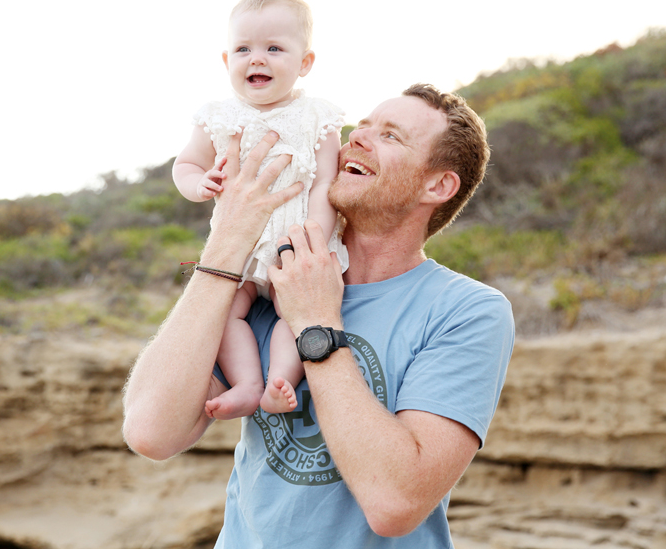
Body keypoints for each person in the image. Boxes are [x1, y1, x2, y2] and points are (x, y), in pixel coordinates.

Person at [124, 83, 515, 547]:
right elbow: (151, 433)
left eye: (390, 136)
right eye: (362, 126)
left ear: (438, 185)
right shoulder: (270, 282)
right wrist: (227, 242)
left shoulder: (466, 311)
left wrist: (315, 322)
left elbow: (395, 503)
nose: (357, 137)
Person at [172, 0, 346, 420]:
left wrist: (313, 237)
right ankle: (248, 383)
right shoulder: (218, 117)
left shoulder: (318, 117)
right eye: (243, 49)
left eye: (274, 48)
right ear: (226, 60)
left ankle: (278, 381)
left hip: (296, 244)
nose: (257, 59)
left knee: (296, 311)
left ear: (305, 62)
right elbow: (186, 164)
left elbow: (325, 182)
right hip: (240, 249)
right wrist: (199, 183)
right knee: (224, 312)